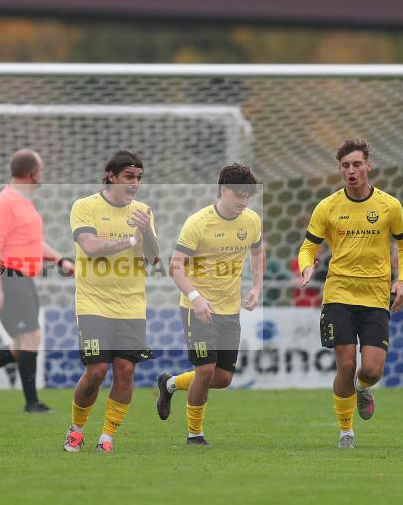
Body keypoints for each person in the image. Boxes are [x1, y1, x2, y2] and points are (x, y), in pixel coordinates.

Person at [297, 138, 403, 449]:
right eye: (346, 166)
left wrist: (402, 281)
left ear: (368, 166)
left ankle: (363, 388)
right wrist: (306, 267)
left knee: (372, 370)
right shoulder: (328, 206)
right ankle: (346, 432)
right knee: (346, 365)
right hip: (338, 295)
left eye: (357, 164)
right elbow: (308, 247)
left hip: (376, 297)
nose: (351, 170)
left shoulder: (390, 206)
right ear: (340, 169)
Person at [0, 149, 72, 413]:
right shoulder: (6, 202)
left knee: (20, 343)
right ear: (34, 172)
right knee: (32, 336)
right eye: (41, 169)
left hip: (21, 277)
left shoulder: (23, 202)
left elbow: (33, 242)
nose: (43, 173)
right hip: (8, 276)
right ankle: (31, 403)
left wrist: (60, 260)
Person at [155, 164, 264, 445]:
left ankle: (170, 384)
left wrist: (257, 286)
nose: (243, 201)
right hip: (197, 309)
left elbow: (257, 250)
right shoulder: (198, 223)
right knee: (205, 371)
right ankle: (195, 434)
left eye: (247, 196)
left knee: (224, 377)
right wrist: (196, 297)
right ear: (222, 190)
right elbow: (175, 267)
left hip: (230, 309)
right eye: (238, 194)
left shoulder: (251, 221)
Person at [62, 149, 160, 454]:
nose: (134, 183)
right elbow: (90, 247)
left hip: (131, 304)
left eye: (139, 178)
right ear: (111, 176)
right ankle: (76, 430)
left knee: (126, 370)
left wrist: (146, 232)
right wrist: (131, 240)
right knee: (96, 371)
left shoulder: (143, 210)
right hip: (93, 302)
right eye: (129, 177)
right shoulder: (85, 206)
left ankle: (106, 437)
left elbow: (153, 257)